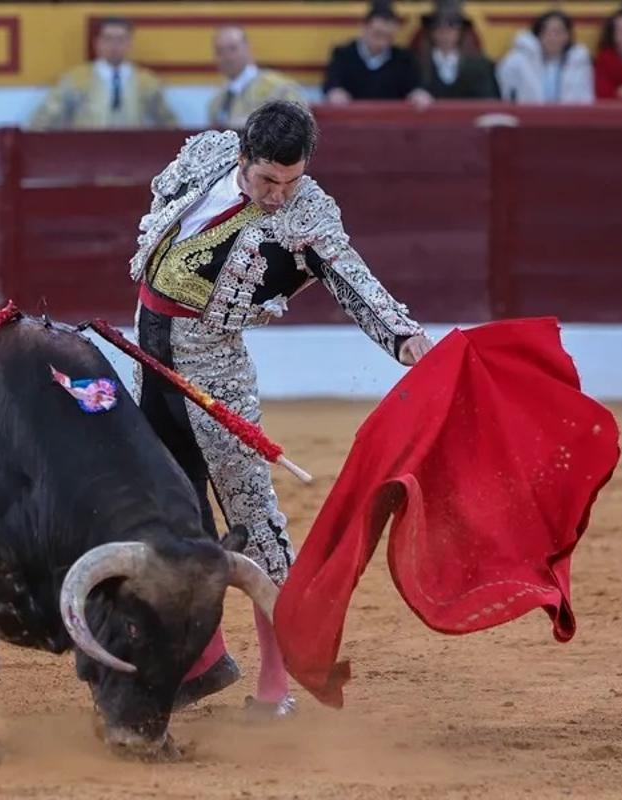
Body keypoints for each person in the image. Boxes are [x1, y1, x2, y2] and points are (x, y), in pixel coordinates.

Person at [129, 100, 433, 716]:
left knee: (255, 520)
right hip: (148, 350)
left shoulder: (309, 216)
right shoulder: (206, 154)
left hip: (213, 369)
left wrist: (403, 336)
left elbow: (353, 280)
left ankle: (277, 681)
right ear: (243, 158)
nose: (278, 195)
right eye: (268, 180)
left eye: (291, 181)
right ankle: (202, 659)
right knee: (171, 506)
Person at [30, 17, 176, 130]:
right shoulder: (76, 78)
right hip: (87, 154)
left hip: (133, 152)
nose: (114, 45)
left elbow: (169, 123)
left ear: (129, 43)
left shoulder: (147, 81)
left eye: (120, 39)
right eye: (108, 39)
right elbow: (45, 119)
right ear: (97, 43)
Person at [323, 3, 432, 106]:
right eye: (377, 34)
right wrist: (335, 92)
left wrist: (419, 93)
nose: (382, 43)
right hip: (353, 122)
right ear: (364, 28)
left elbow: (416, 87)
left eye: (388, 37)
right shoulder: (343, 55)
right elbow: (331, 85)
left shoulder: (405, 60)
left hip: (392, 122)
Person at [208, 25, 305, 129]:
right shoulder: (216, 101)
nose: (226, 57)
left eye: (233, 49)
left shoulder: (280, 89)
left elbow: (300, 130)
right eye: (220, 52)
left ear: (247, 48)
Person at [497, 10, 594, 104]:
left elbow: (586, 98)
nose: (552, 38)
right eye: (546, 32)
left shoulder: (579, 62)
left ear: (567, 36)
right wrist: (524, 49)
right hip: (530, 118)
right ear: (537, 35)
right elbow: (507, 91)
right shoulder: (520, 60)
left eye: (558, 32)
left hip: (569, 119)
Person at [415, 6, 499, 99]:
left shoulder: (481, 65)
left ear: (461, 31)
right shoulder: (416, 64)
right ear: (430, 31)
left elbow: (490, 100)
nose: (445, 32)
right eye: (438, 25)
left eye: (452, 25)